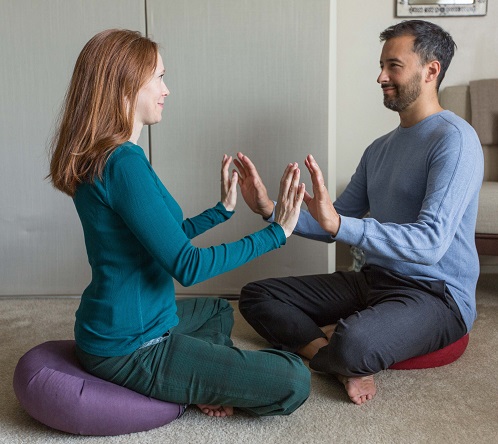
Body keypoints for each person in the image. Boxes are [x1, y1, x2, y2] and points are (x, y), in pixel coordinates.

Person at [47, 29, 311, 418]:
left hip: (134, 323)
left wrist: (221, 211)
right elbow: (188, 266)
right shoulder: (123, 164)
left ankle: (209, 380)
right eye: (158, 77)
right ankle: (208, 383)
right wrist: (277, 233)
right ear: (125, 86)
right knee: (294, 379)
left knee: (218, 310)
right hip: (132, 346)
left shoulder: (112, 156)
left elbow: (162, 242)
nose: (166, 89)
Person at [235, 20, 483, 405]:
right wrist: (271, 210)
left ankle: (343, 351)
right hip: (374, 279)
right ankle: (333, 357)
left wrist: (342, 224)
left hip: (436, 294)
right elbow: (334, 220)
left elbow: (431, 244)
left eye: (394, 66)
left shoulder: (455, 140)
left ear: (430, 70)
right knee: (256, 295)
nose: (381, 76)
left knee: (354, 340)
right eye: (382, 65)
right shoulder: (379, 149)